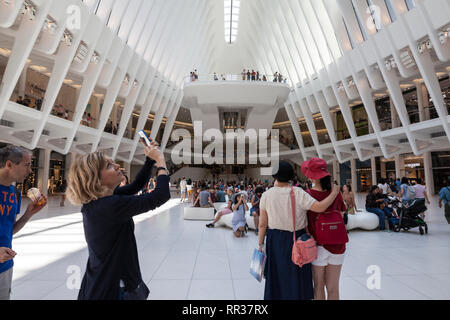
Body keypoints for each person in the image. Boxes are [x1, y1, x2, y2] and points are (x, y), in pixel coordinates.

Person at [66, 140, 170, 300]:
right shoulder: (108, 206)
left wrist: (150, 160)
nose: (117, 166)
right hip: (115, 289)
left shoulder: (99, 202)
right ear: (94, 179)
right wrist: (161, 162)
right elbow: (160, 196)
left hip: (105, 281)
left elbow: (136, 186)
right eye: (108, 166)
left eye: (113, 162)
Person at [258, 161, 340, 300]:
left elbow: (262, 224)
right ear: (291, 176)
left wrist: (260, 244)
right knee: (297, 276)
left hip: (275, 239)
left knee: (277, 275)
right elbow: (319, 207)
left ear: (275, 176)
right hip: (298, 239)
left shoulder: (267, 195)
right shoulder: (297, 192)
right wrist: (334, 193)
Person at [0, 146, 47, 300]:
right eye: (27, 165)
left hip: (5, 266)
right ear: (9, 165)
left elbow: (9, 230)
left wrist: (28, 214)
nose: (30, 171)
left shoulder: (15, 193)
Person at [302, 158, 347, 300]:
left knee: (319, 286)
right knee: (333, 288)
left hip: (318, 245)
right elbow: (341, 214)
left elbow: (304, 221)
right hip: (338, 244)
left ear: (311, 176)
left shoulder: (307, 194)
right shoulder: (336, 193)